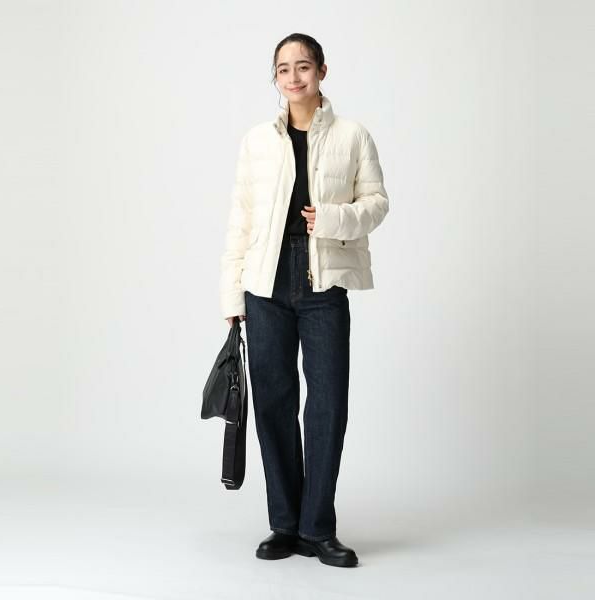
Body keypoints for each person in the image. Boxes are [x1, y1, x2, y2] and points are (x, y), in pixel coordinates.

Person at [219, 33, 389, 568]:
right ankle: (285, 525)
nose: (293, 77)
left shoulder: (352, 135)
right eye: (283, 69)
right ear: (275, 77)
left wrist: (333, 218)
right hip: (265, 282)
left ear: (322, 71)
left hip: (324, 279)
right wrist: (232, 292)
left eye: (303, 67)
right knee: (273, 403)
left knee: (327, 405)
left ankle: (318, 528)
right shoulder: (256, 141)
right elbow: (242, 218)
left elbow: (377, 203)